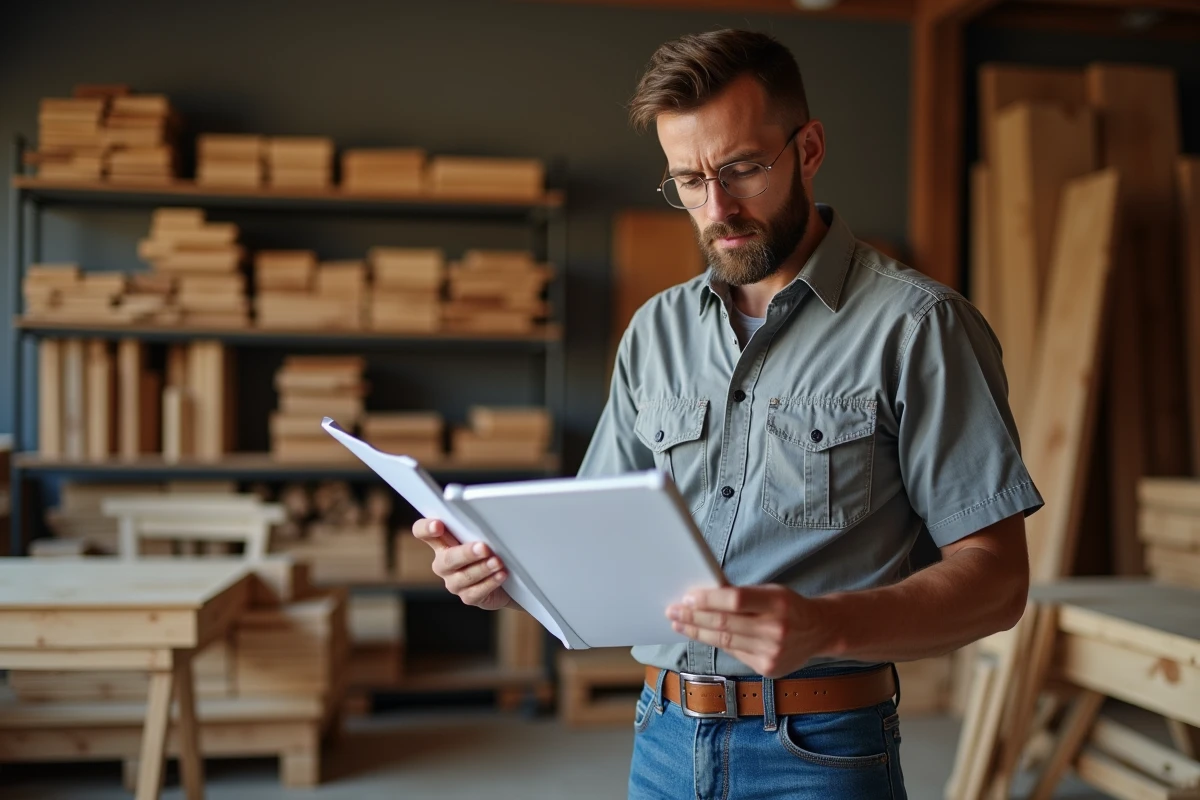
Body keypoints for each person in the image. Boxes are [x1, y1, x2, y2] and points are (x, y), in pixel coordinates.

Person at [412, 28, 1043, 799]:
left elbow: (998, 582)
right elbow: (598, 545)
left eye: (742, 168)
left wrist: (825, 625)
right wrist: (504, 576)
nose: (718, 208)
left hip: (820, 750)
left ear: (807, 149)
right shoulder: (655, 331)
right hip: (662, 737)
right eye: (688, 181)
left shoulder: (919, 327)